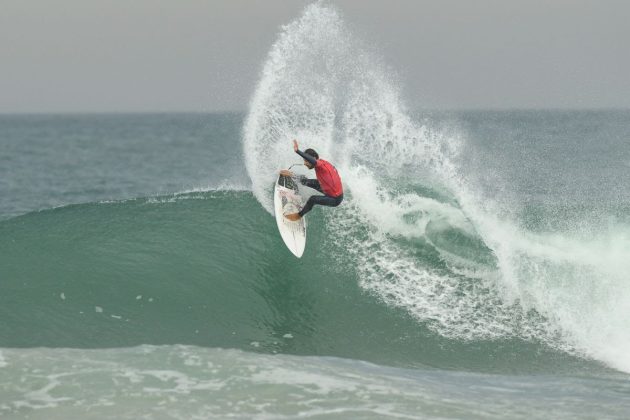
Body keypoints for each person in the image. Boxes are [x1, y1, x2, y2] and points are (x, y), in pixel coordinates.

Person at [281, 139, 343, 221]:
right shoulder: (323, 163)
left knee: (313, 199)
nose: (304, 163)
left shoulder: (320, 165)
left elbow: (314, 161)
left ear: (313, 159)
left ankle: (298, 216)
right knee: (305, 181)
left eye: (306, 161)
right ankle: (291, 174)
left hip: (335, 198)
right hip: (326, 188)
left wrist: (297, 151)